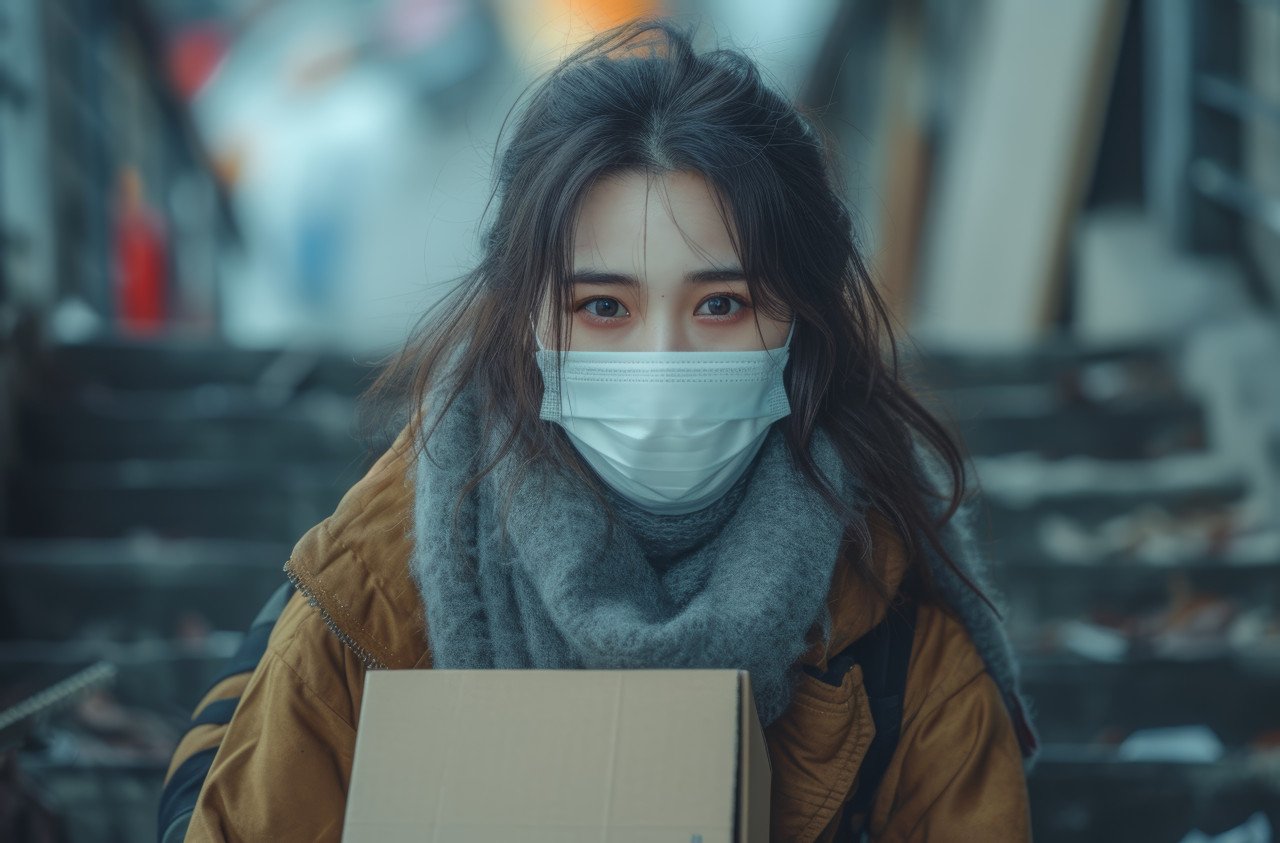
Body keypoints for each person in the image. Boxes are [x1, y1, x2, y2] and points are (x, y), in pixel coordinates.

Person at [168, 19, 1040, 841]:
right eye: (603, 305)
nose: (661, 357)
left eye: (722, 304)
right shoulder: (372, 598)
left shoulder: (893, 632)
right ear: (526, 322)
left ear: (800, 325)